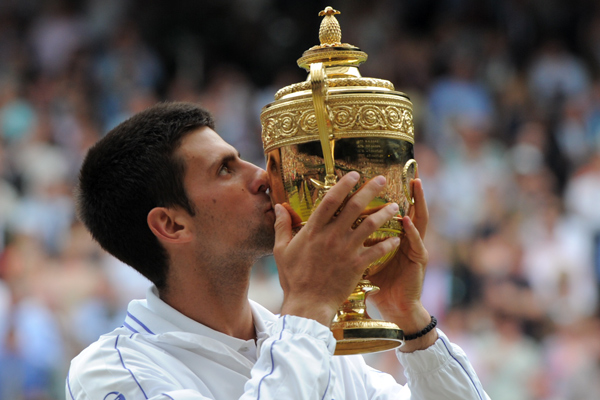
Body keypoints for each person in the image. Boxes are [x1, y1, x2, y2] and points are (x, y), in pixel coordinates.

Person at [66, 102, 489, 400]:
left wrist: (408, 318)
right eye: (225, 170)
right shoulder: (113, 372)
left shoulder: (310, 340)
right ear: (172, 224)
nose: (264, 176)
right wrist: (308, 305)